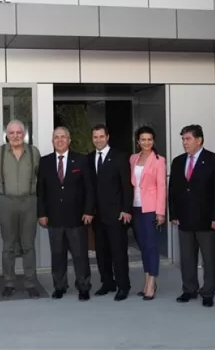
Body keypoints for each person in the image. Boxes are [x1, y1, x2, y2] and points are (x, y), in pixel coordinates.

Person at [37, 127, 95, 301]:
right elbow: (41, 190)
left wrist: (88, 211)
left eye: (63, 137)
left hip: (77, 217)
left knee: (80, 255)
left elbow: (89, 188)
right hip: (54, 217)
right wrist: (42, 213)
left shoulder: (81, 160)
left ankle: (83, 286)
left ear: (69, 140)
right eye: (56, 137)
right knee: (57, 255)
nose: (60, 140)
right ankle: (59, 286)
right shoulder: (45, 162)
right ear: (52, 141)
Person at [169, 125, 215, 308]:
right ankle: (189, 289)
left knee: (209, 259)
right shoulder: (178, 161)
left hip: (207, 220)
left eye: (188, 139)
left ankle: (208, 292)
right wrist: (173, 213)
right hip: (184, 219)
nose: (185, 143)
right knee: (187, 258)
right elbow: (173, 190)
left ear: (199, 140)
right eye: (183, 139)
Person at [0, 120, 42, 299]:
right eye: (11, 133)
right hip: (6, 201)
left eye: (18, 132)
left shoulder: (34, 152)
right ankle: (9, 283)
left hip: (29, 201)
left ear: (24, 133)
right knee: (8, 245)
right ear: (7, 135)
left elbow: (40, 178)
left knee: (28, 245)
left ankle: (30, 283)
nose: (15, 136)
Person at [87, 124, 133, 301]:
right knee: (101, 253)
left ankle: (123, 286)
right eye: (95, 137)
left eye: (101, 136)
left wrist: (126, 209)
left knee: (118, 252)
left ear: (107, 137)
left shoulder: (120, 157)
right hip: (97, 215)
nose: (98, 140)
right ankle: (107, 283)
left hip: (116, 214)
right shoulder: (89, 158)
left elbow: (126, 185)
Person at [129, 126, 166, 301]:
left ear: (154, 141)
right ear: (138, 141)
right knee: (143, 245)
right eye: (143, 139)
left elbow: (162, 187)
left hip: (151, 208)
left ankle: (152, 282)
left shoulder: (159, 160)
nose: (146, 142)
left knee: (151, 246)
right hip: (136, 207)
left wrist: (160, 212)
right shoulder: (133, 158)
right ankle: (146, 281)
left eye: (149, 139)